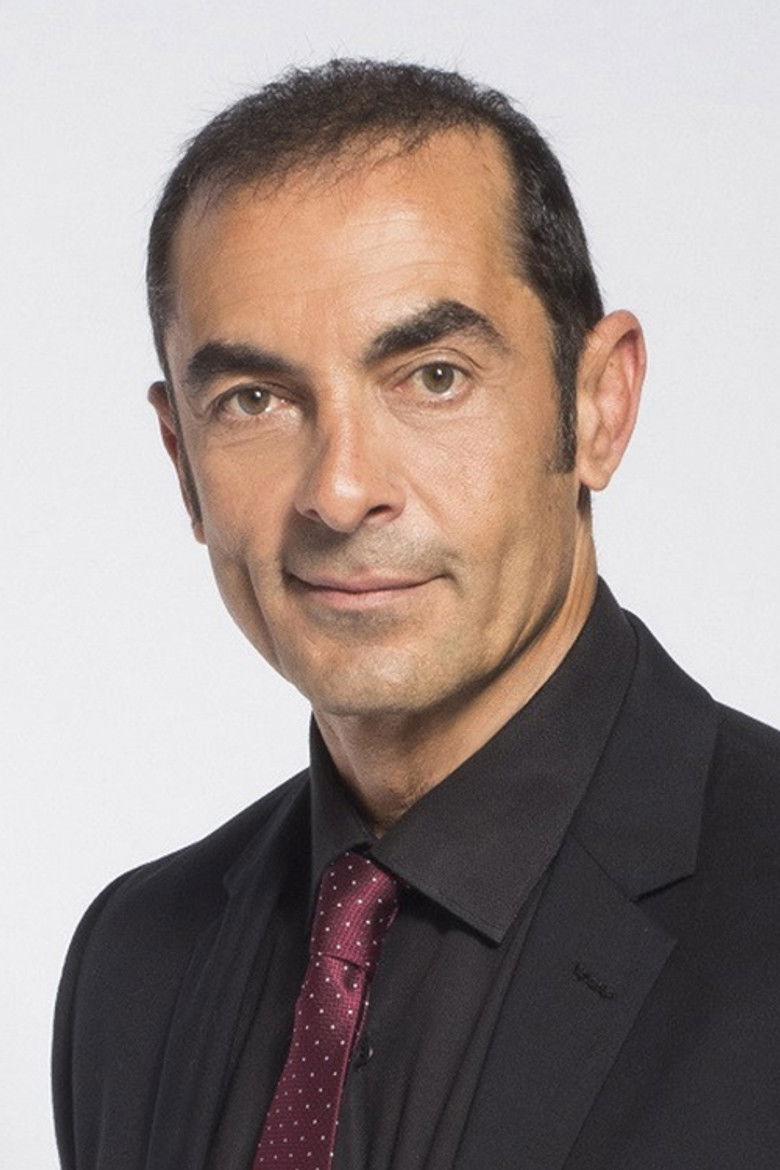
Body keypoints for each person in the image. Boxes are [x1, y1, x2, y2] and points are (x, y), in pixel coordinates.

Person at [53, 59, 780, 1170]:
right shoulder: (135, 966)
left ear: (598, 405)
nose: (341, 491)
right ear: (182, 462)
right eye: (254, 400)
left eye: (432, 376)